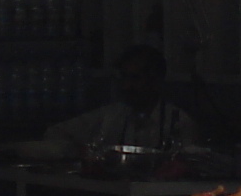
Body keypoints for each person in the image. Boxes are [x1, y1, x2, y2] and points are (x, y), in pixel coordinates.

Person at [49, 44, 203, 154]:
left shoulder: (178, 122)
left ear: (155, 81)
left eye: (135, 78)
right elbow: (55, 132)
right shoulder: (112, 115)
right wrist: (81, 150)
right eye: (124, 78)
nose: (126, 86)